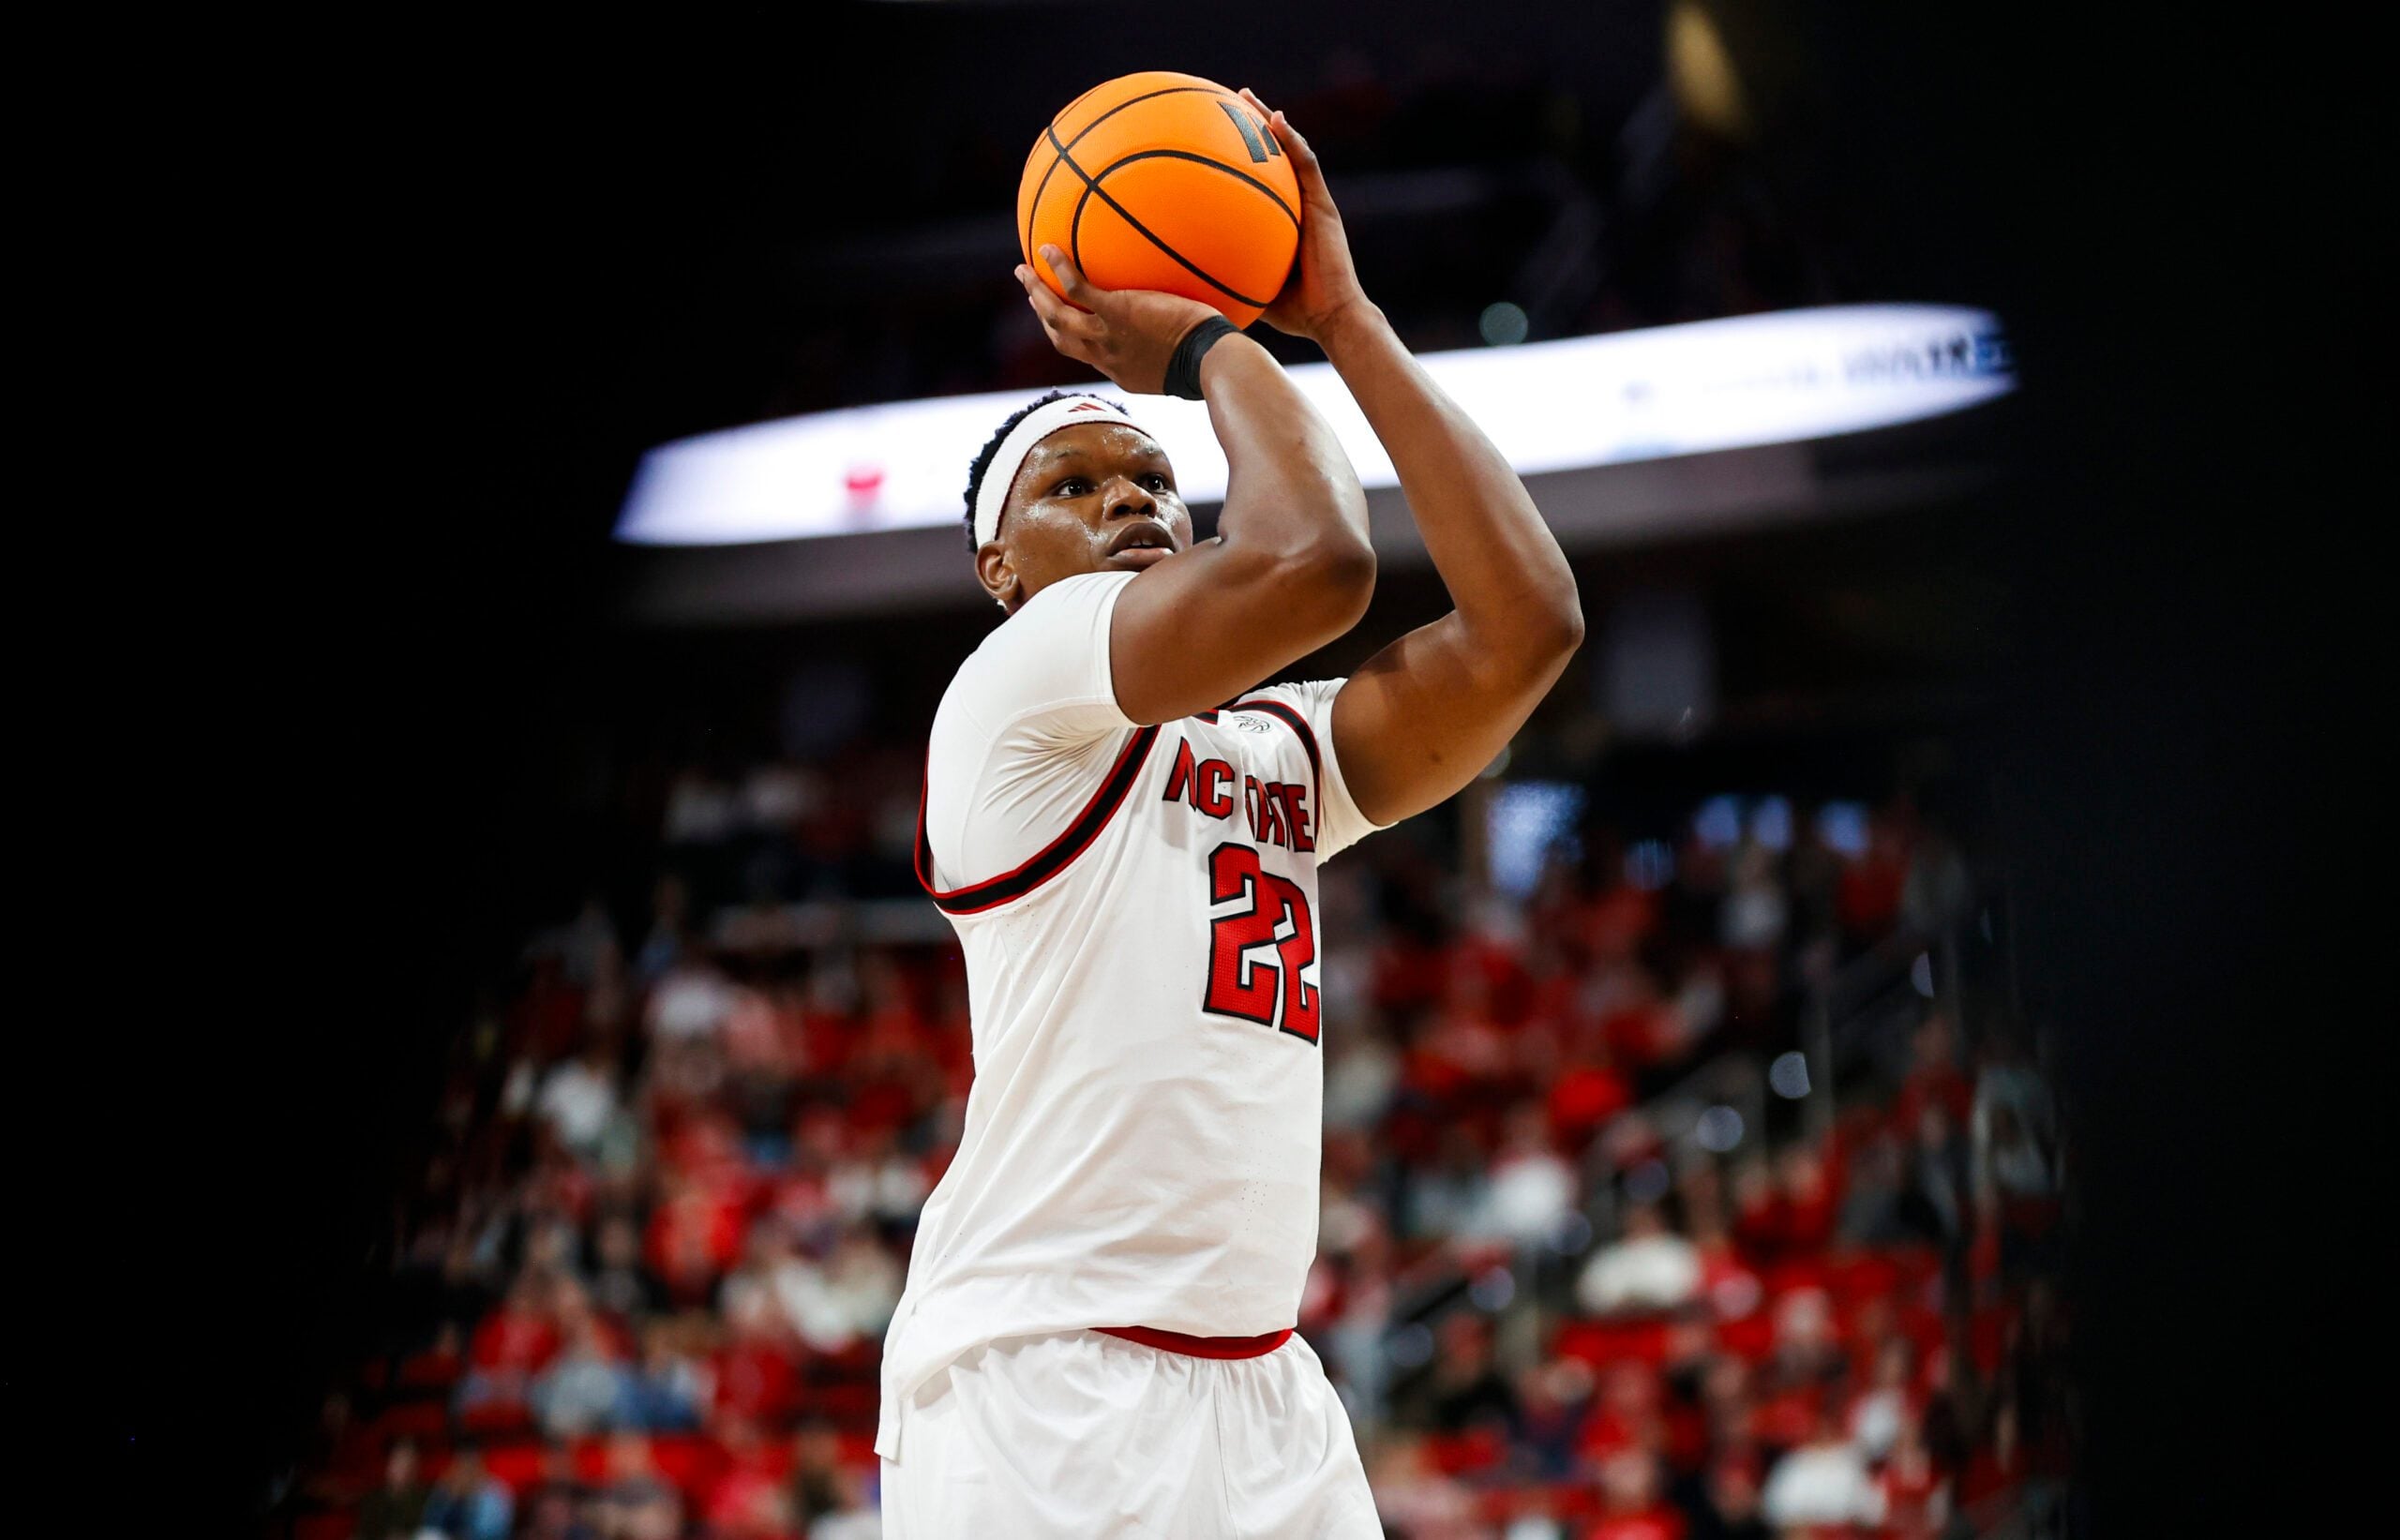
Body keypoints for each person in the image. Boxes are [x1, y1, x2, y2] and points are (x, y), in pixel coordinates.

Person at [876, 89, 1582, 1538]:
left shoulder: (1274, 740)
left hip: (1262, 1387)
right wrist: (1209, 347)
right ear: (1001, 570)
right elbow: (1320, 558)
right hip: (1042, 1382)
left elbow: (1531, 629)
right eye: (1072, 489)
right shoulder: (1011, 693)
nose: (1132, 501)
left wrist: (1353, 321)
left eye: (1153, 479)